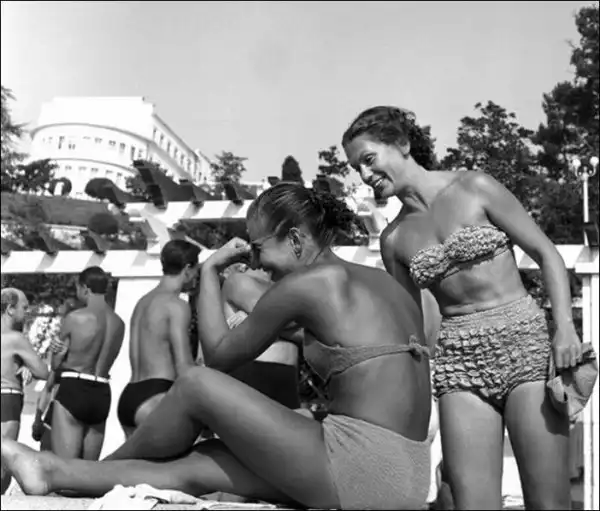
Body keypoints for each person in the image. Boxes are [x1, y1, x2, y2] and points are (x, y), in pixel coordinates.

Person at [2, 183, 433, 511]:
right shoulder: (379, 284)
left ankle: (93, 470)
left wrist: (210, 271)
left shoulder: (313, 282)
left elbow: (219, 357)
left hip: (361, 468)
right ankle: (51, 472)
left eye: (259, 248)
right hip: (403, 475)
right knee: (204, 462)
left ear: (296, 240)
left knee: (197, 384)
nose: (257, 262)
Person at [342, 106, 581, 510]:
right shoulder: (393, 240)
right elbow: (411, 327)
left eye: (368, 160)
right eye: (356, 169)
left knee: (549, 504)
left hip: (524, 343)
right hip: (458, 363)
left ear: (402, 144)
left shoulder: (475, 186)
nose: (365, 176)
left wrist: (566, 329)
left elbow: (547, 254)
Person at [116, 239, 200, 437]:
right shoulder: (176, 306)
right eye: (197, 270)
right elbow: (184, 367)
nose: (197, 276)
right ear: (188, 269)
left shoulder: (142, 302)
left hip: (130, 395)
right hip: (157, 396)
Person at [51, 267, 125, 460]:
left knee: (66, 468)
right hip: (101, 392)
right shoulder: (119, 323)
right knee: (88, 471)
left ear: (84, 288)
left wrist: (55, 350)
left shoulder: (75, 318)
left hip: (74, 387)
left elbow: (56, 364)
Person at [221, 264, 303, 410]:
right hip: (253, 370)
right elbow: (277, 318)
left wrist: (265, 323)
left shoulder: (286, 285)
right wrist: (298, 318)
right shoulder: (240, 281)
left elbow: (306, 329)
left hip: (287, 374)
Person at [1, 288, 49, 494]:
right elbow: (43, 371)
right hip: (7, 398)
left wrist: (20, 363)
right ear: (10, 309)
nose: (27, 312)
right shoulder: (15, 339)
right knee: (4, 459)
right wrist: (28, 365)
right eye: (24, 307)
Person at [32, 298, 84, 451]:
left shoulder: (86, 351)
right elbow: (48, 388)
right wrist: (37, 418)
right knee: (47, 456)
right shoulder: (59, 349)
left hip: (78, 414)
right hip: (55, 413)